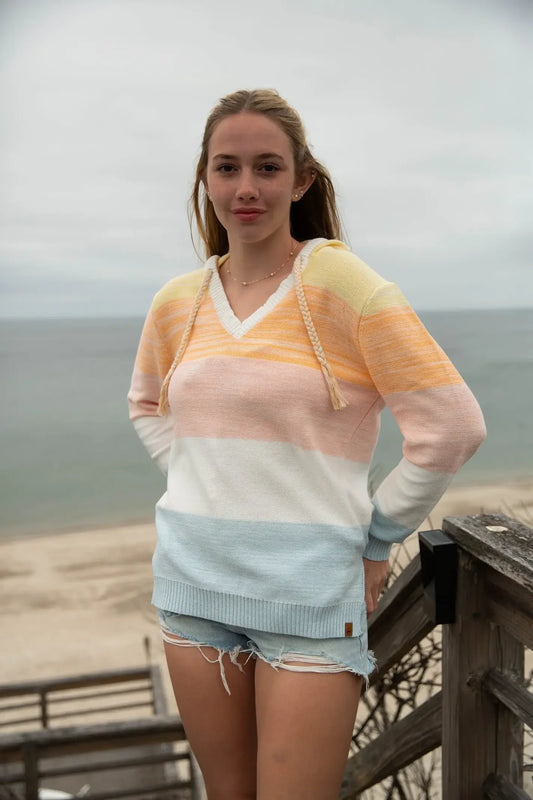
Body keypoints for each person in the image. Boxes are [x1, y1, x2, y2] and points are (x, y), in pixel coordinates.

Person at [128, 89, 486, 800]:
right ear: (206, 179)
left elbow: (451, 426)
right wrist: (200, 479)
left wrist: (379, 535)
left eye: (267, 167)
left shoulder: (343, 286)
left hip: (311, 598)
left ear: (301, 181)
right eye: (227, 167)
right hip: (193, 590)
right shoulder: (176, 300)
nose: (246, 187)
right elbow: (146, 403)